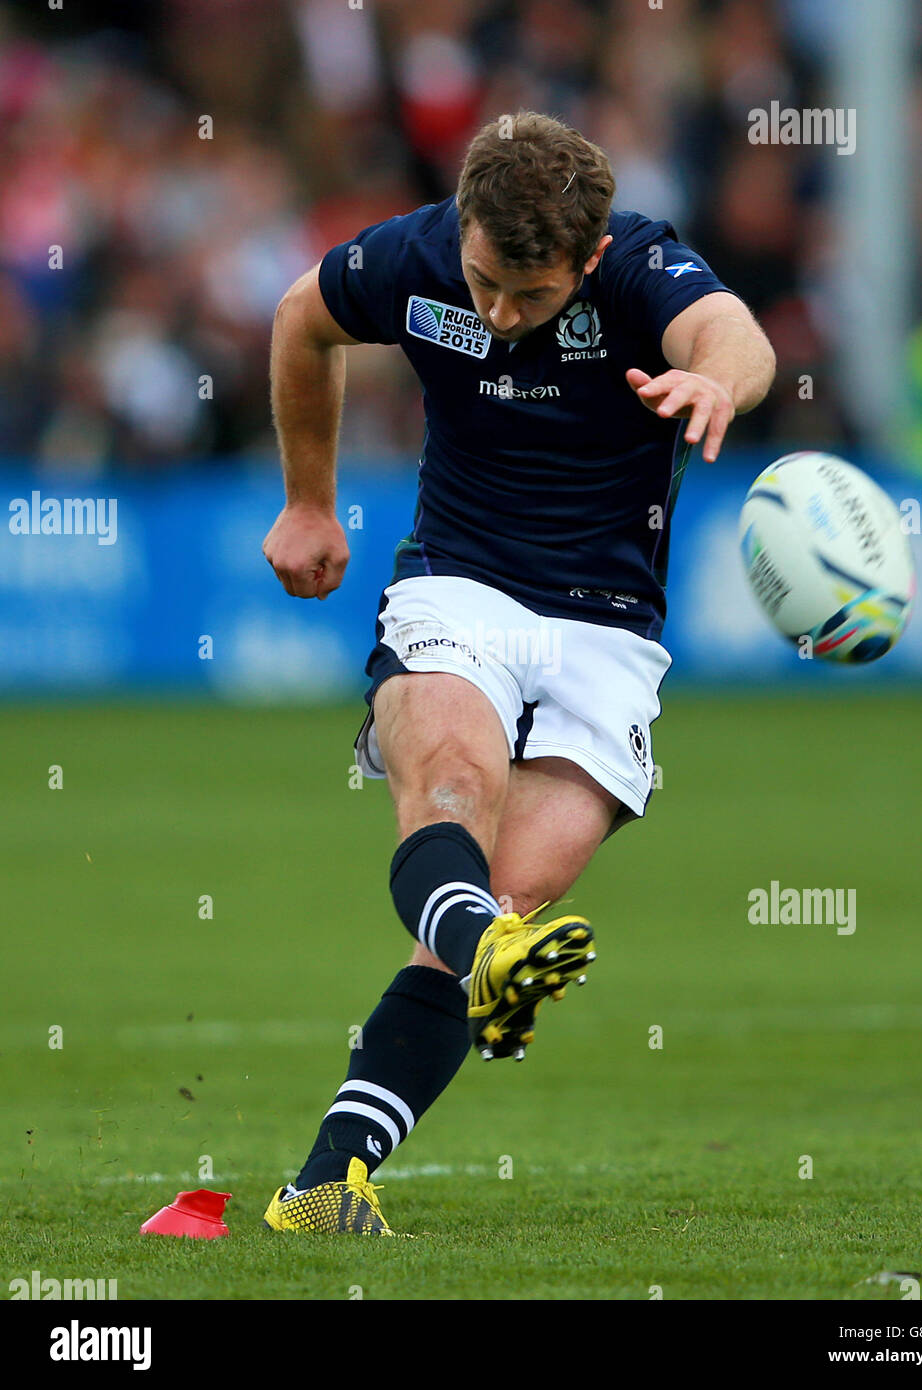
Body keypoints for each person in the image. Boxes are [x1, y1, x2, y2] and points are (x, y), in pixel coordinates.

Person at [261, 111, 775, 1235]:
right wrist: (307, 499)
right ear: (464, 229)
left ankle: (317, 1189)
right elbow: (302, 319)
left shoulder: (640, 263)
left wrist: (716, 385)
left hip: (608, 630)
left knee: (505, 905)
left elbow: (735, 334)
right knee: (448, 796)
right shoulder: (419, 251)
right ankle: (477, 952)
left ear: (587, 260)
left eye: (528, 297)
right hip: (459, 584)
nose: (496, 315)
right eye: (483, 282)